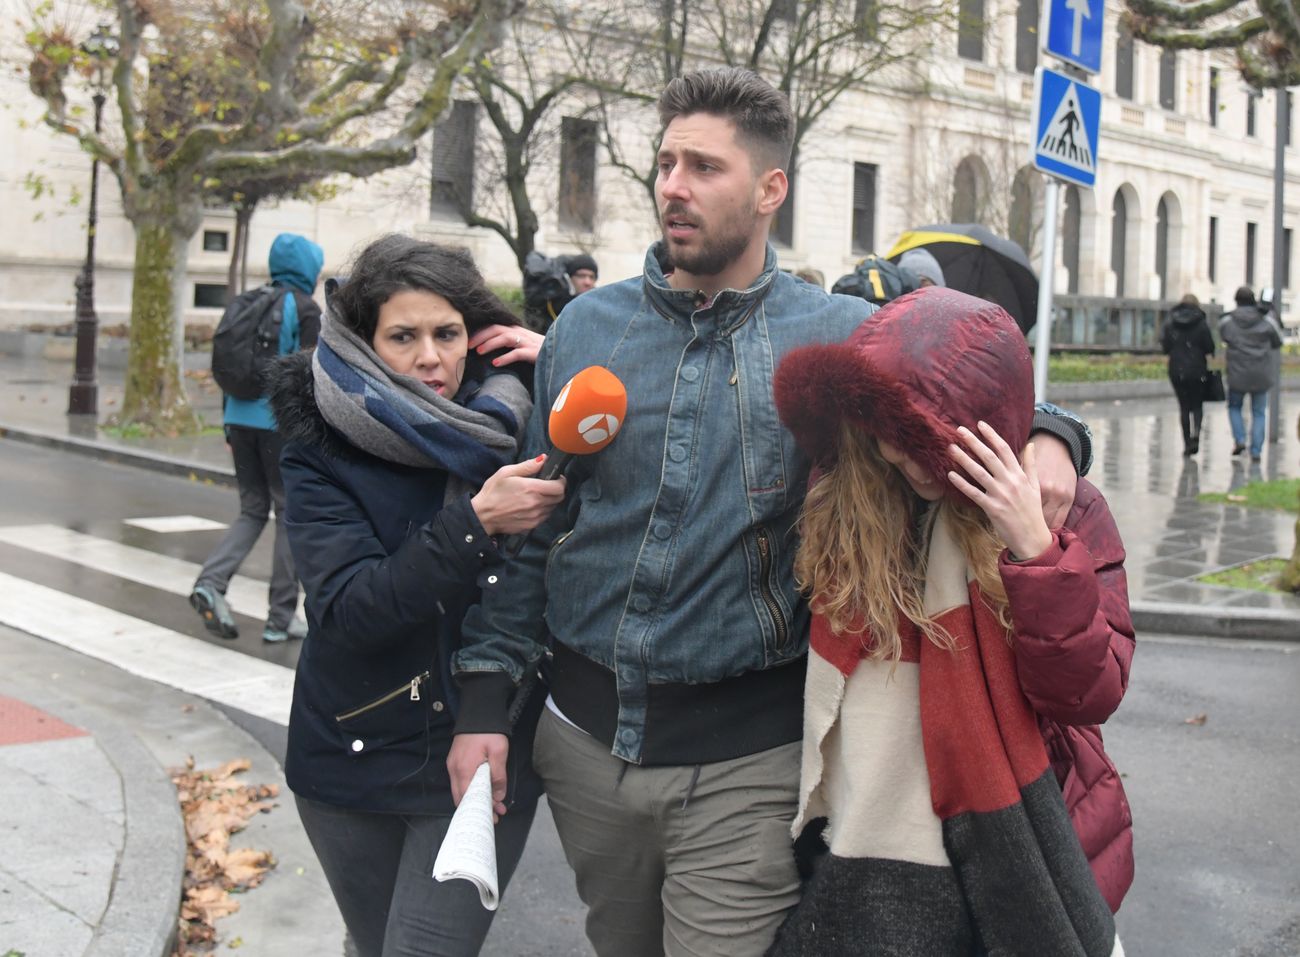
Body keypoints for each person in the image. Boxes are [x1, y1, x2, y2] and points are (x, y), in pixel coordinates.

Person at [447, 67, 1093, 957]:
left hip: (746, 763)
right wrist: (486, 698)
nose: (674, 185)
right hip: (584, 750)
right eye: (667, 162)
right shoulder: (584, 330)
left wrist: (1055, 431)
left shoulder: (834, 335)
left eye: (705, 167)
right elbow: (534, 531)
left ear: (769, 189)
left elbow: (969, 374)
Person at [767, 287, 1133, 956]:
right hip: (860, 844)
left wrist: (1036, 552)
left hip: (1021, 839)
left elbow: (1089, 691)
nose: (902, 460)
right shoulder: (850, 493)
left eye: (921, 443)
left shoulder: (1061, 512)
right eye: (890, 439)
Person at [269, 235, 561, 957]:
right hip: (350, 750)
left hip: (483, 748)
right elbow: (348, 608)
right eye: (403, 336)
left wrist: (567, 358)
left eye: (447, 332)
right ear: (366, 343)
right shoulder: (322, 442)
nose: (431, 357)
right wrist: (474, 523)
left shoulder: (519, 418)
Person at [190, 232, 323, 643]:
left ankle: (211, 582)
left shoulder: (246, 302)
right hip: (278, 428)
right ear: (309, 269)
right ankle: (280, 618)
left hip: (238, 421)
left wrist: (228, 425)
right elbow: (310, 378)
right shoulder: (304, 309)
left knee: (251, 509)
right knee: (288, 514)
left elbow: (231, 366)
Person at [1220, 285, 1283, 461]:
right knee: (1259, 412)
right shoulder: (1266, 319)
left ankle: (1239, 439)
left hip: (1237, 373)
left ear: (1236, 301)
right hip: (1260, 373)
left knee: (1234, 407)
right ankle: (1256, 450)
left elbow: (1223, 335)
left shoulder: (1228, 321)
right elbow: (1278, 341)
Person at [1160, 293, 1216, 456]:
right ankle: (1196, 433)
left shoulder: (1171, 321)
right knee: (1197, 404)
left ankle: (1186, 443)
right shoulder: (1201, 322)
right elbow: (1209, 346)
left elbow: (1165, 346)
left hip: (1177, 370)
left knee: (1184, 407)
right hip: (1197, 369)